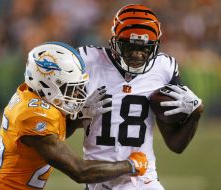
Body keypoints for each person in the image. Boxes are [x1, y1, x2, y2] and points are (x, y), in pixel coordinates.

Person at [0, 42, 149, 190]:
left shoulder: (35, 96)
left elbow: (55, 138)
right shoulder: (33, 115)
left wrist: (79, 116)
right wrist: (130, 165)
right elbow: (80, 172)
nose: (76, 94)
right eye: (69, 87)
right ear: (47, 82)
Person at [70, 4, 204, 190]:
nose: (137, 54)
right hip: (99, 178)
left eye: (145, 48)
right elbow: (62, 130)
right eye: (130, 47)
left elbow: (176, 145)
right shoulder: (87, 61)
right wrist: (79, 113)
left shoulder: (163, 68)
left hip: (144, 179)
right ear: (115, 42)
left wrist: (196, 112)